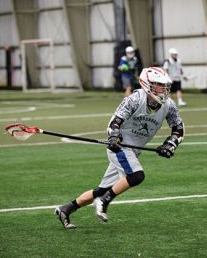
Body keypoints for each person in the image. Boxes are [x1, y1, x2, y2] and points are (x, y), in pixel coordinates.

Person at [55, 67, 184, 229]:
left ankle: (66, 209)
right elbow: (115, 122)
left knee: (103, 189)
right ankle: (104, 202)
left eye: (165, 86)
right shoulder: (135, 99)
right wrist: (114, 136)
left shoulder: (169, 106)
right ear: (147, 84)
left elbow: (178, 128)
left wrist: (171, 144)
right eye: (159, 85)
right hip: (119, 147)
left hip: (133, 152)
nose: (163, 90)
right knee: (137, 175)